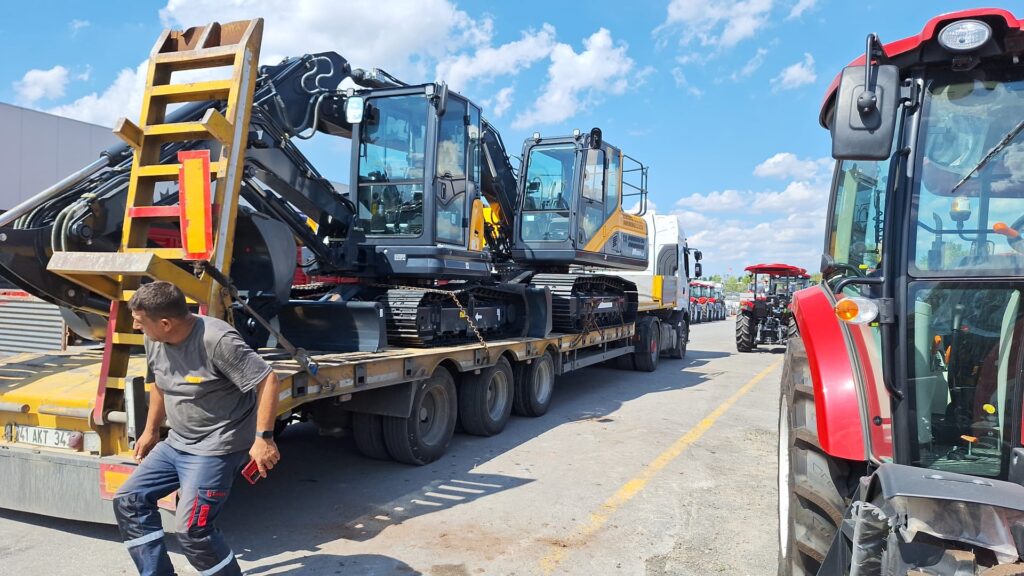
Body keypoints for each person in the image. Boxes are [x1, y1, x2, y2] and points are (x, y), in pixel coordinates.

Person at [113, 281, 281, 576]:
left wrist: (263, 438)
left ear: (165, 323)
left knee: (193, 530)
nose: (137, 327)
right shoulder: (155, 339)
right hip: (177, 442)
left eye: (140, 322)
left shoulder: (216, 340)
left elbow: (268, 380)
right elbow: (160, 384)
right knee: (129, 500)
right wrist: (151, 430)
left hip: (216, 446)